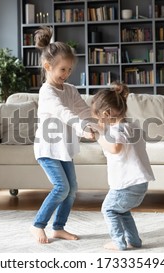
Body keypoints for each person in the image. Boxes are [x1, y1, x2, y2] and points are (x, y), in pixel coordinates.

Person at [31, 26, 94, 244]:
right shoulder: (47, 92)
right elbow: (63, 113)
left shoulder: (70, 89)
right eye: (62, 70)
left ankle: (58, 227)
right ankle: (38, 224)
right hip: (48, 149)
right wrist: (81, 128)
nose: (66, 74)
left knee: (72, 189)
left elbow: (82, 108)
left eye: (69, 70)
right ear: (48, 67)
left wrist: (94, 123)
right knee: (62, 187)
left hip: (63, 148)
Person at [90, 82, 155, 251]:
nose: (99, 121)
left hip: (126, 184)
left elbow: (115, 148)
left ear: (106, 113)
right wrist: (104, 131)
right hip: (140, 183)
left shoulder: (116, 130)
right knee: (122, 211)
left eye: (99, 118)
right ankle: (134, 240)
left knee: (109, 209)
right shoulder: (133, 127)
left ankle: (118, 242)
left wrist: (99, 136)